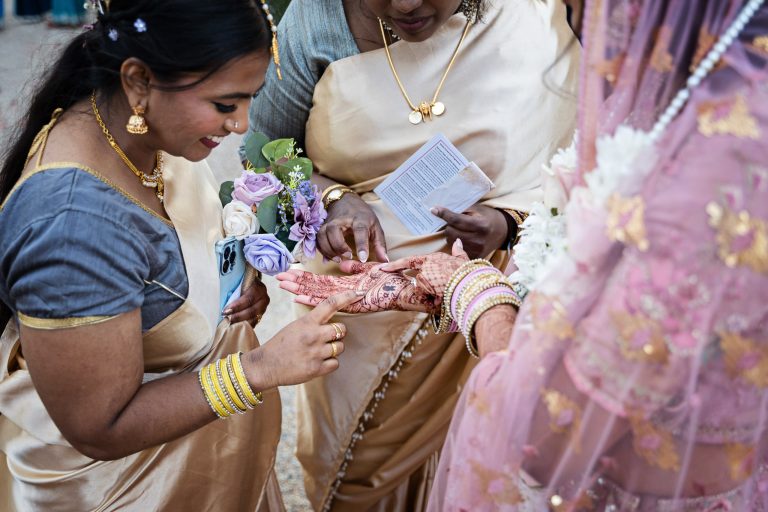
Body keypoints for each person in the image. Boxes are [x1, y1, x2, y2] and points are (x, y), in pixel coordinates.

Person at [278, 0, 768, 509]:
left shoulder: (684, 204)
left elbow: (540, 424)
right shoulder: (702, 135)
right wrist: (333, 196)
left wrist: (468, 284)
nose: (592, 25)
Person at [0, 1, 358, 510]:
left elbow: (161, 274)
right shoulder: (75, 228)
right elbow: (101, 428)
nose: (242, 125)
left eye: (249, 100)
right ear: (139, 80)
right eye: (226, 104)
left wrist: (226, 286)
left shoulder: (133, 128)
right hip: (122, 485)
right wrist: (257, 368)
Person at [245, 0, 579, 509]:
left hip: (495, 293)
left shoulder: (533, 15)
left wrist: (508, 223)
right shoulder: (315, 23)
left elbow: (571, 160)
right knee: (354, 476)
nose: (405, 5)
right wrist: (335, 197)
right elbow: (264, 153)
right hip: (357, 299)